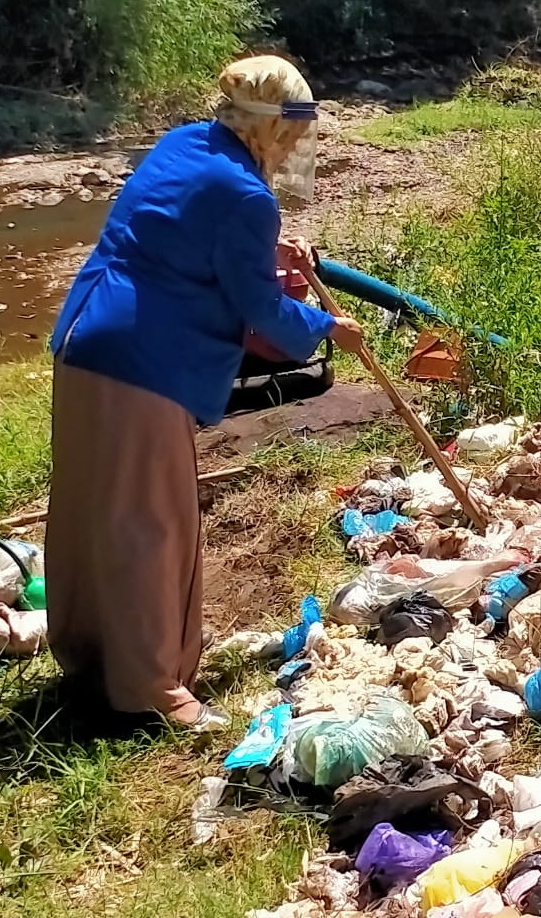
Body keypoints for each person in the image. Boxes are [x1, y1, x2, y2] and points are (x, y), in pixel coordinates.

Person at [46, 55, 364, 732]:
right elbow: (262, 310)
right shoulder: (248, 198)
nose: (294, 148)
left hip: (86, 339)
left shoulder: (184, 143)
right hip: (141, 362)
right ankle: (151, 688)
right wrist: (328, 326)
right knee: (151, 524)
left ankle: (90, 655)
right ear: (272, 128)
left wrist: (270, 256)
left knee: (89, 509)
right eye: (294, 132)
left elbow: (181, 241)